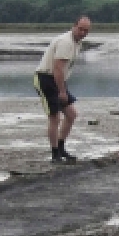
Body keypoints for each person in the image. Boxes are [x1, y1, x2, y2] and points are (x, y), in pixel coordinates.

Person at [34, 16, 91, 163]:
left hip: (58, 80)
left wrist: (62, 87)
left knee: (71, 114)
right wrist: (62, 91)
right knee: (55, 117)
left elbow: (62, 71)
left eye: (86, 30)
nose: (83, 32)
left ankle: (61, 148)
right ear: (74, 26)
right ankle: (55, 155)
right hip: (46, 78)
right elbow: (57, 68)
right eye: (81, 29)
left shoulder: (76, 42)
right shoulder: (66, 42)